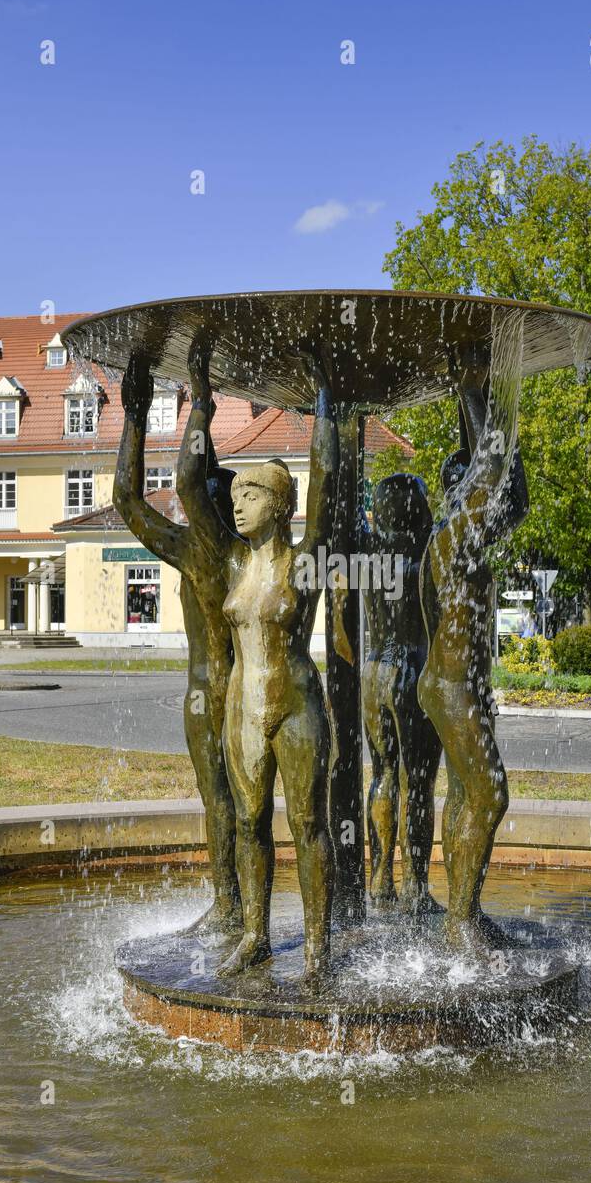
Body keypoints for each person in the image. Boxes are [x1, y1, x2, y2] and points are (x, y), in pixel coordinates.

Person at [181, 332, 339, 983]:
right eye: (237, 493)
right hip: (243, 710)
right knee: (249, 823)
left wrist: (324, 397)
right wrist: (201, 399)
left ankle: (319, 946)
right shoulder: (228, 563)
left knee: (306, 823)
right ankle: (254, 934)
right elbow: (192, 481)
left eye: (250, 493)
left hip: (296, 705)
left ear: (280, 504)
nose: (237, 501)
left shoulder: (305, 562)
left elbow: (327, 481)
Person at [114, 350, 242, 933]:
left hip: (213, 696)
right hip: (220, 695)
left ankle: (234, 909)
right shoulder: (220, 550)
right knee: (228, 802)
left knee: (226, 802)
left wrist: (176, 408)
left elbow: (142, 493)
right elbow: (137, 497)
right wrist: (188, 408)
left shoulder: (211, 552)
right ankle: (236, 909)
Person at [418, 315, 529, 954]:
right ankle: (460, 922)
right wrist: (475, 391)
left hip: (467, 685)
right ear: (458, 492)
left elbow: (513, 494)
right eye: (472, 487)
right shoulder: (451, 539)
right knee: (490, 794)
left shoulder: (468, 540)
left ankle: (464, 915)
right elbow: (493, 477)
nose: (489, 502)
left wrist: (478, 400)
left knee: (466, 795)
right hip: (452, 686)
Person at [358, 474, 442, 914]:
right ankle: (415, 885)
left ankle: (379, 879)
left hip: (374, 672)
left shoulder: (367, 551)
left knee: (383, 775)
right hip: (414, 668)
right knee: (420, 781)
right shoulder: (429, 551)